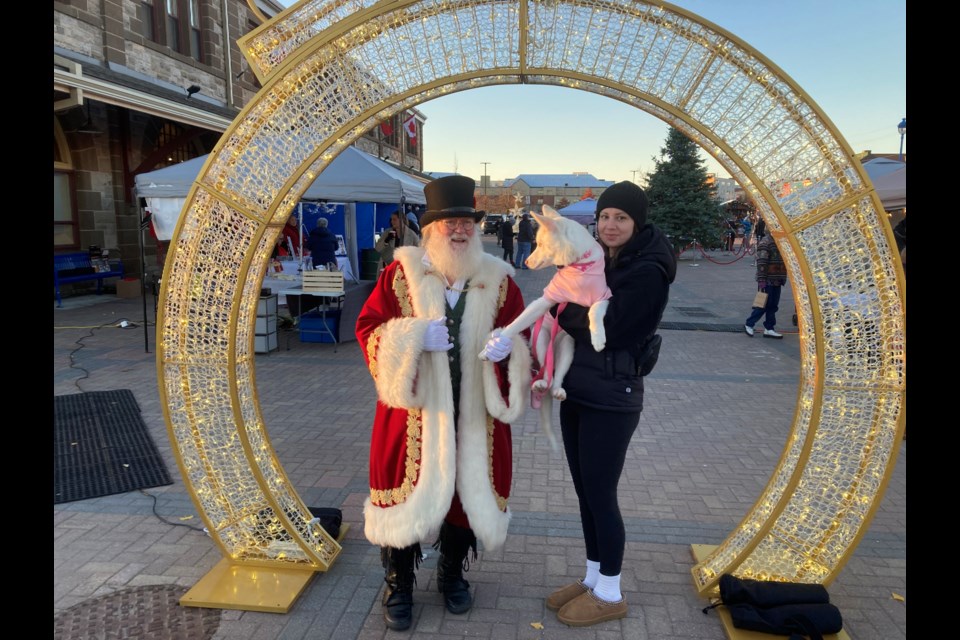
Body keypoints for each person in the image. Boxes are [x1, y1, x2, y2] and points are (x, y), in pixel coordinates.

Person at [355, 175, 532, 632]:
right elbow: (368, 328)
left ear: (476, 228)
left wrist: (508, 349)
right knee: (404, 497)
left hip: (476, 417)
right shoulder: (401, 275)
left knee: (466, 497)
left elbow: (523, 334)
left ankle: (451, 573)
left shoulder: (498, 281)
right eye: (449, 223)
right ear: (431, 229)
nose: (459, 231)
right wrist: (411, 337)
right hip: (415, 415)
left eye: (466, 223)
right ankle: (399, 583)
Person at [549, 181, 676, 627]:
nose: (610, 225)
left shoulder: (649, 270)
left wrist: (562, 309)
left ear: (636, 222)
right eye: (604, 217)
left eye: (620, 218)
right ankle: (592, 577)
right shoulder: (604, 260)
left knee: (602, 493)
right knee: (586, 491)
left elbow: (615, 331)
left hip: (614, 395)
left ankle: (611, 590)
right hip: (582, 388)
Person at [744, 233, 788, 339]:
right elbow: (761, 262)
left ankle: (769, 328)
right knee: (762, 304)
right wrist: (762, 280)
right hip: (768, 279)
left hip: (777, 279)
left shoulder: (779, 241)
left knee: (773, 305)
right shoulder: (766, 242)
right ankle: (749, 324)